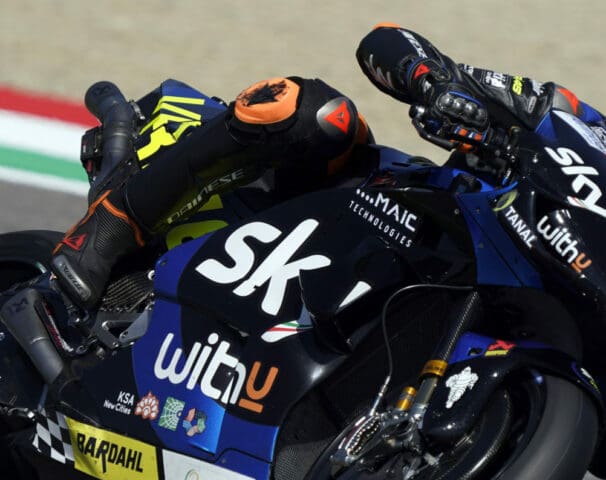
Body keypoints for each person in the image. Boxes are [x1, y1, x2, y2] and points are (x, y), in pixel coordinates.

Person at [43, 23, 606, 313]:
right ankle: (108, 228)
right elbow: (384, 41)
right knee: (316, 112)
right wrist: (432, 83)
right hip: (377, 202)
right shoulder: (577, 124)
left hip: (473, 301)